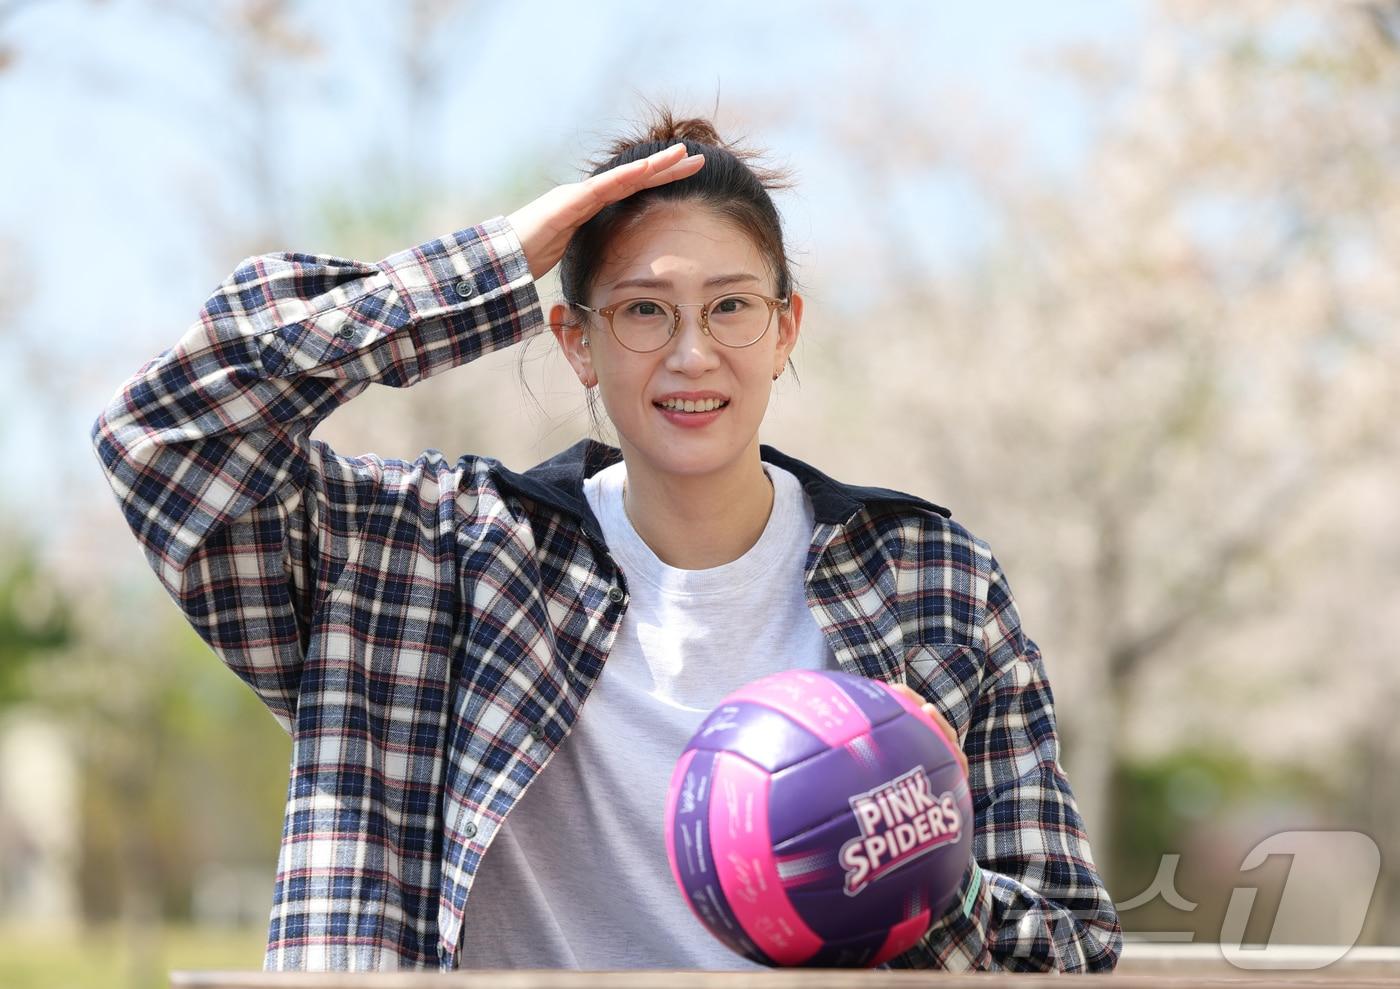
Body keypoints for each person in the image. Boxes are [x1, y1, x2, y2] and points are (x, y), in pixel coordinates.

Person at [91, 108, 1122, 973]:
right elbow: (168, 434)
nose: (690, 352)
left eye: (729, 307)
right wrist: (492, 264)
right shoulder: (422, 558)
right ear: (575, 339)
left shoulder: (930, 578)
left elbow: (1067, 944)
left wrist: (919, 873)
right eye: (640, 310)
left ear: (785, 327)